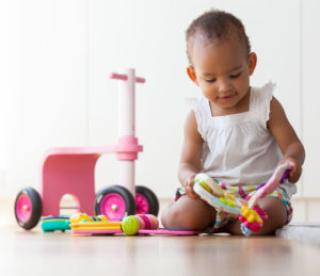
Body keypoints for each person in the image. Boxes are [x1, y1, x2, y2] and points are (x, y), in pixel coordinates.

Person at [161, 9, 305, 235]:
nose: (224, 87)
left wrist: (292, 161)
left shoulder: (265, 104)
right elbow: (186, 164)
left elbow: (293, 145)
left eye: (234, 74)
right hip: (217, 194)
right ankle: (221, 220)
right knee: (182, 216)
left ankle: (232, 223)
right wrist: (190, 179)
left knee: (267, 213)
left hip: (262, 192)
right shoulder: (198, 115)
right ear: (194, 76)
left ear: (250, 64)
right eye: (210, 79)